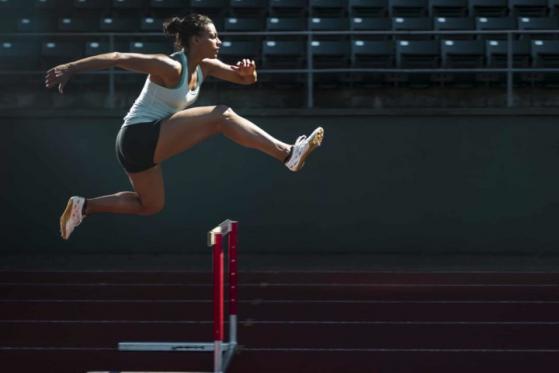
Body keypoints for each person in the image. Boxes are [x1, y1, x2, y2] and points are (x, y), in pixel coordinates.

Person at [45, 13, 324, 240]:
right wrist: (71, 67)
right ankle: (288, 153)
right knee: (222, 116)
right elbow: (118, 57)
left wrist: (249, 73)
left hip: (140, 145)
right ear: (195, 39)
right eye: (213, 36)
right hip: (138, 136)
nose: (220, 41)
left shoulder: (207, 66)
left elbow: (244, 80)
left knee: (150, 205)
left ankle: (85, 206)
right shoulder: (169, 66)